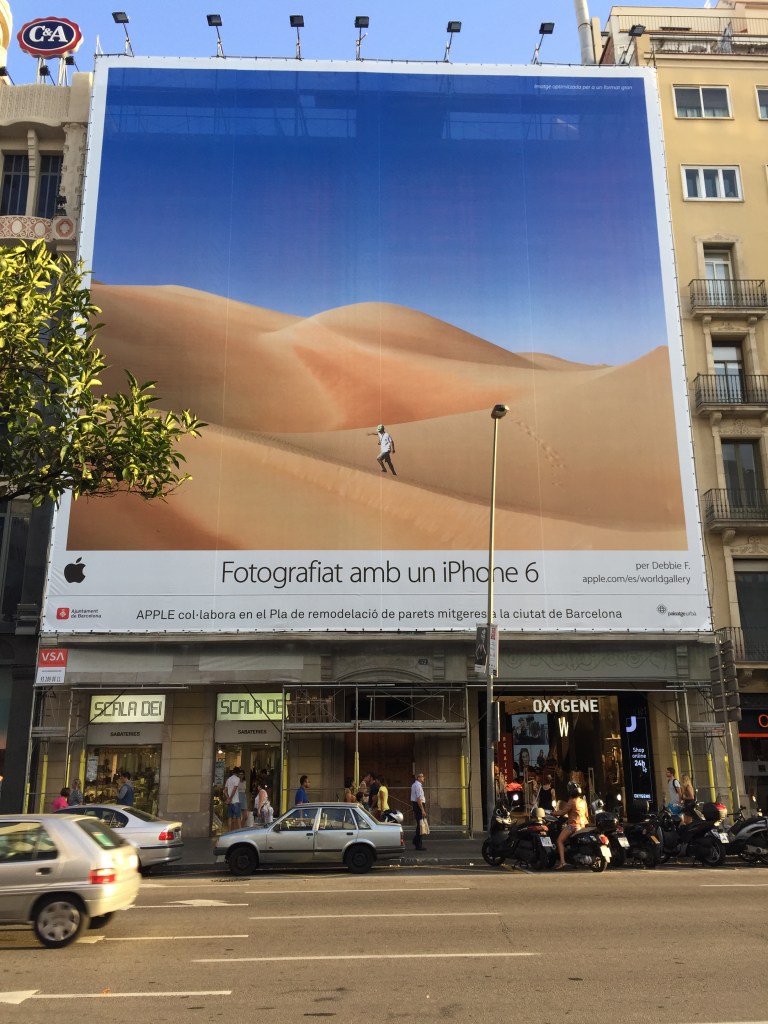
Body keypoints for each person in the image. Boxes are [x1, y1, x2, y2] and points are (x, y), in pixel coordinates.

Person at [555, 781, 589, 869]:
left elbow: (562, 812)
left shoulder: (572, 801)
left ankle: (562, 862)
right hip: (582, 826)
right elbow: (586, 815)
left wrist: (552, 813)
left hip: (573, 826)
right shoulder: (583, 802)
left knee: (559, 841)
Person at [410, 771, 427, 851]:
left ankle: (416, 841)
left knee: (419, 824)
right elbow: (419, 799)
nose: (423, 778)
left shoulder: (414, 785)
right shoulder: (418, 786)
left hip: (417, 805)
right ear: (418, 778)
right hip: (419, 805)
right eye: (422, 776)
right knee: (420, 825)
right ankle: (418, 843)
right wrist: (422, 810)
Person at [223, 766, 241, 831]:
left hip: (230, 802)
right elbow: (234, 789)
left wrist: (228, 798)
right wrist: (230, 798)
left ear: (233, 772)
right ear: (238, 773)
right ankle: (240, 832)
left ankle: (229, 831)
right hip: (235, 801)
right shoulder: (237, 779)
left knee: (230, 817)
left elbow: (224, 791)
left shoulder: (229, 779)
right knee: (238, 817)